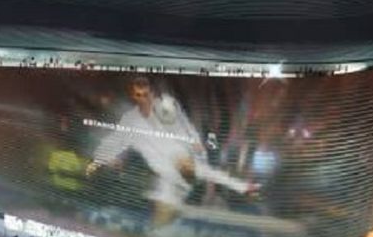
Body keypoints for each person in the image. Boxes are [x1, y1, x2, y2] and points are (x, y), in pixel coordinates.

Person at [86, 77, 257, 228]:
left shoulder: (184, 168)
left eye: (145, 94)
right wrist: (104, 159)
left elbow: (218, 176)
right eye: (139, 95)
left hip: (174, 183)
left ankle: (157, 230)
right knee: (160, 217)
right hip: (165, 177)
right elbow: (115, 140)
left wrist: (243, 188)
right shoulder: (132, 119)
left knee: (165, 211)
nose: (143, 99)